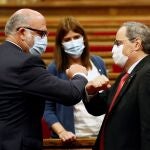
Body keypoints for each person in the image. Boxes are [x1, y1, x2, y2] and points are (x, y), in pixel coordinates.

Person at [0, 8, 89, 150]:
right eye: (41, 33)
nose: (44, 39)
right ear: (22, 32)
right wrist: (79, 74)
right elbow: (70, 94)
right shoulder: (25, 63)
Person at [84, 21, 150, 150]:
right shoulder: (127, 74)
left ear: (136, 44)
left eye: (118, 43)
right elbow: (98, 108)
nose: (113, 49)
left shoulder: (147, 73)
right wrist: (90, 91)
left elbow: (148, 126)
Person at [43, 16, 107, 142]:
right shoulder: (54, 69)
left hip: (100, 134)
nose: (73, 42)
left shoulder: (98, 62)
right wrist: (62, 132)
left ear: (83, 38)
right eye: (67, 39)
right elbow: (47, 109)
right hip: (73, 137)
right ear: (61, 44)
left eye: (76, 37)